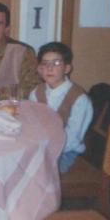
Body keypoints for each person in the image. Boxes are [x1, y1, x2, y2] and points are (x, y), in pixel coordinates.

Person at [29, 41, 93, 173]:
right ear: (40, 68)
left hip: (67, 152)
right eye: (45, 63)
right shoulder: (36, 93)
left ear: (67, 68)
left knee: (36, 172)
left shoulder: (79, 100)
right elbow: (32, 124)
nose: (49, 68)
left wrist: (44, 149)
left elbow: (72, 139)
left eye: (56, 63)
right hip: (41, 147)